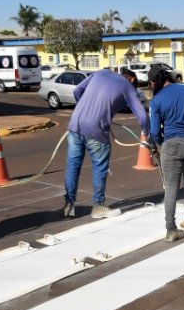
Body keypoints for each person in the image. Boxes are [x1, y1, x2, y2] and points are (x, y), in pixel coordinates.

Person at [63, 68, 150, 219]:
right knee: (99, 167)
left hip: (75, 125)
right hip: (96, 130)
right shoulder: (128, 87)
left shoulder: (100, 73)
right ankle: (98, 206)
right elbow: (142, 116)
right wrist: (148, 134)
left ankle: (68, 206)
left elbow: (77, 90)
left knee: (73, 166)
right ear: (132, 79)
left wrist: (85, 110)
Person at [148, 65, 184, 242]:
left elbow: (155, 132)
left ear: (155, 81)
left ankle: (171, 230)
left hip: (171, 144)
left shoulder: (156, 100)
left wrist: (162, 144)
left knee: (171, 189)